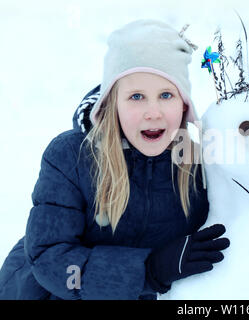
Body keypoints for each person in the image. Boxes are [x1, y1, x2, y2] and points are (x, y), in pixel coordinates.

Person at [0, 19, 230, 300]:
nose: (153, 112)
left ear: (183, 105)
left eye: (166, 95)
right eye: (136, 96)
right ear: (112, 102)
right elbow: (51, 259)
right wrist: (149, 270)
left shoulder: (197, 168)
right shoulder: (70, 158)